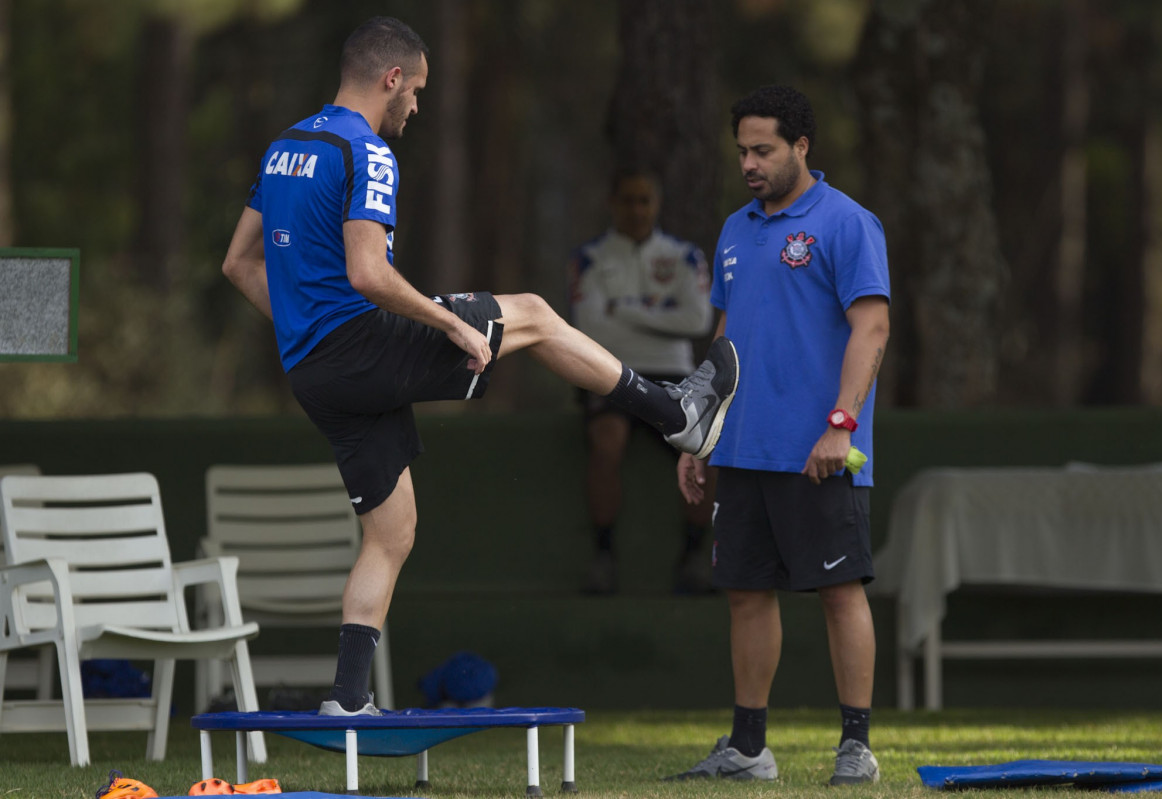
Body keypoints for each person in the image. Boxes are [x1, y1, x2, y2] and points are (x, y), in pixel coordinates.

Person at [220, 16, 739, 717]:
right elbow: (369, 273)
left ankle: (346, 699)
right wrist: (449, 321)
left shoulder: (286, 146)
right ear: (391, 79)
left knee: (391, 531)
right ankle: (677, 412)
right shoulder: (365, 151)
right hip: (361, 344)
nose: (416, 106)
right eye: (417, 91)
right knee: (532, 311)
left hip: (313, 371)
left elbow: (239, 262)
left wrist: (303, 331)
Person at [664, 85, 890, 785]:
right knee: (744, 591)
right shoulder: (735, 228)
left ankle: (856, 746)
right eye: (742, 152)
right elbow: (726, 339)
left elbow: (872, 326)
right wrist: (700, 436)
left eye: (763, 150)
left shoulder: (848, 223)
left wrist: (840, 424)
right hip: (742, 446)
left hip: (819, 450)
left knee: (840, 588)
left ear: (801, 146)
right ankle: (748, 747)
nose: (750, 164)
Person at [568, 168, 716, 595]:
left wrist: (624, 309)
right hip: (610, 369)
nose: (637, 210)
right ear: (612, 204)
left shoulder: (685, 255)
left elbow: (697, 320)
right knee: (606, 442)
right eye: (628, 200)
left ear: (657, 205)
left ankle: (693, 559)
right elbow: (591, 325)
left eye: (644, 200)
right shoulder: (589, 257)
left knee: (703, 453)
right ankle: (604, 556)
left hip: (675, 374)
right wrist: (658, 311)